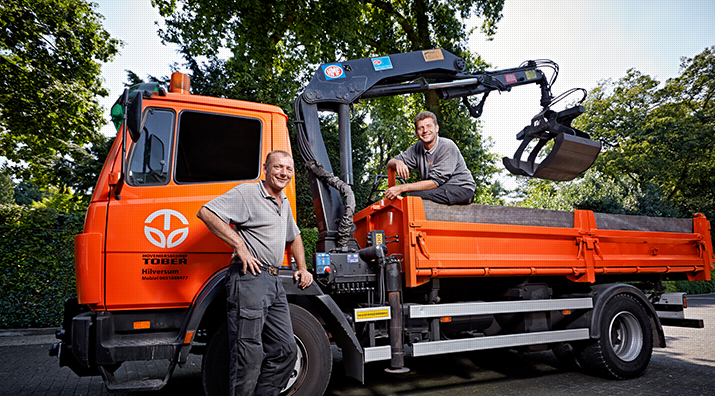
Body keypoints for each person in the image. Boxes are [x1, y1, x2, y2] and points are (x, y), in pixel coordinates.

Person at [197, 150, 313, 396]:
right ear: (266, 169)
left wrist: (302, 268)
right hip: (250, 278)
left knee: (286, 350)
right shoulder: (248, 193)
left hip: (274, 280)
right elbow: (206, 212)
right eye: (278, 167)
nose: (283, 173)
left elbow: (296, 236)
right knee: (248, 354)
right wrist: (239, 245)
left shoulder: (284, 203)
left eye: (288, 169)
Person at [384, 111, 476, 205]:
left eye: (429, 126)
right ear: (416, 132)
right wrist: (398, 163)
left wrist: (401, 188)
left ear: (436, 128)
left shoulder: (447, 146)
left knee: (413, 197)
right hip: (440, 189)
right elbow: (389, 164)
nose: (425, 131)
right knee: (413, 198)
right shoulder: (417, 148)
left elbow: (435, 182)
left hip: (461, 189)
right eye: (421, 128)